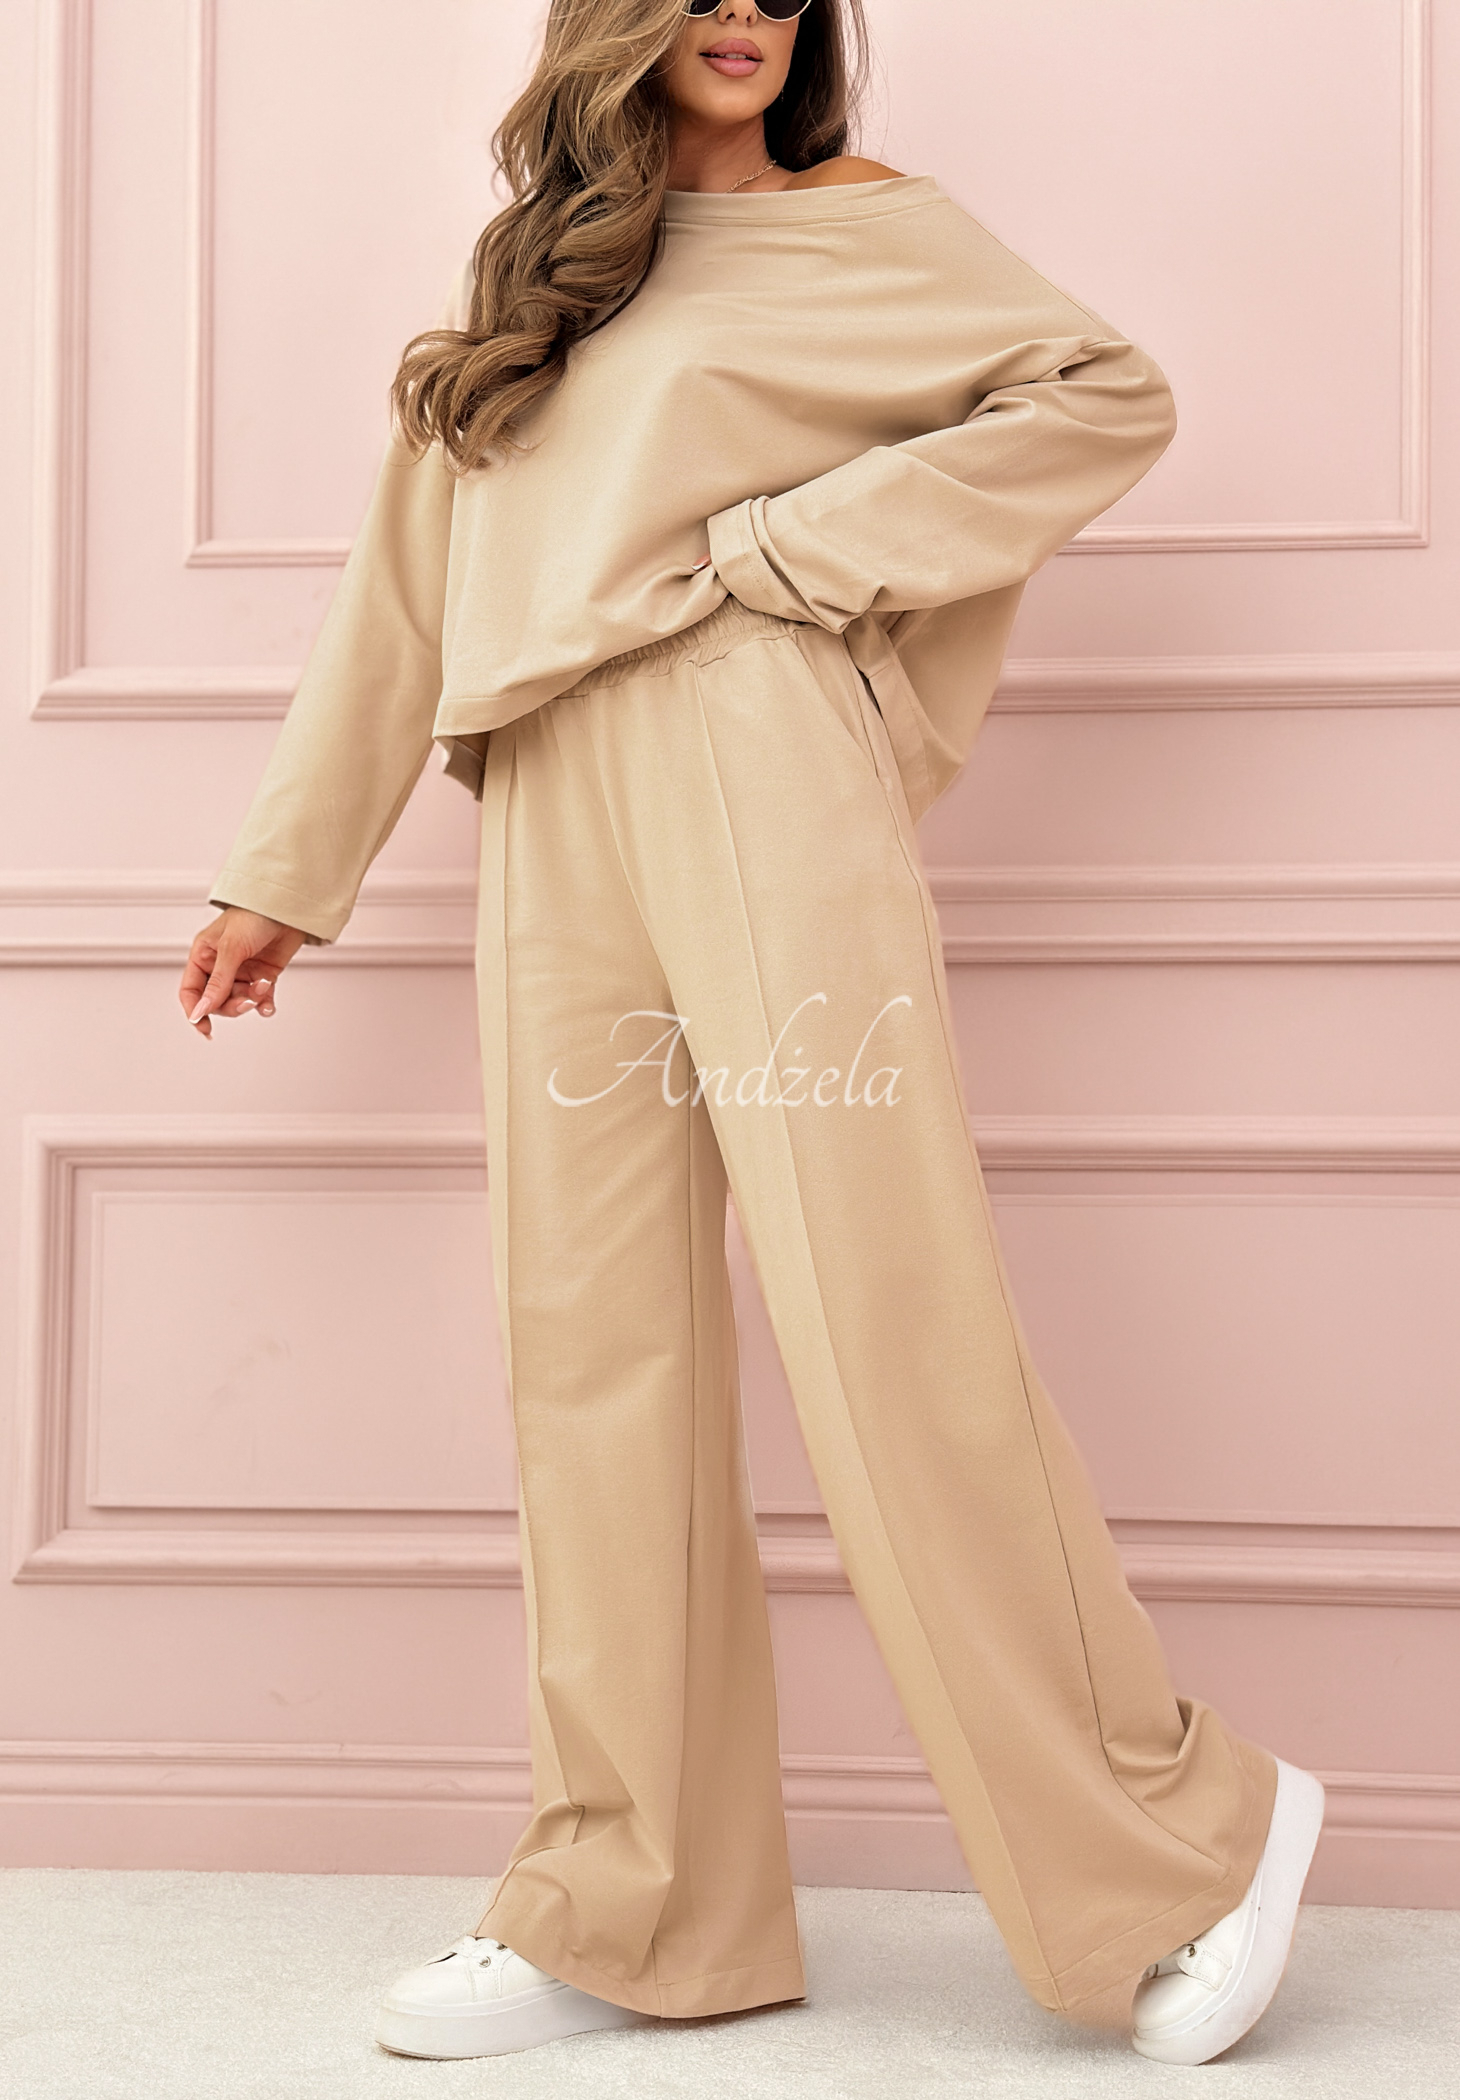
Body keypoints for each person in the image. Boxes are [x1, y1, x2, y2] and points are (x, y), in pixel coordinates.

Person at [179, 0, 1325, 2069]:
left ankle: (1183, 1838)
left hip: (753, 751)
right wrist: (289, 870)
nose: (743, 11)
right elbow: (405, 586)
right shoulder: (541, 275)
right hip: (547, 790)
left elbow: (1103, 394)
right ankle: (635, 1904)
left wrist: (796, 552)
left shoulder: (866, 223)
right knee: (592, 1350)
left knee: (884, 1315)